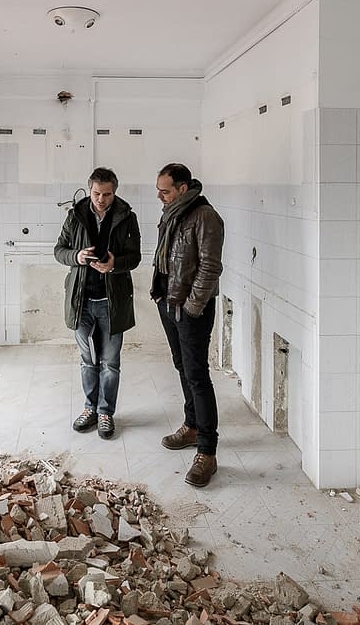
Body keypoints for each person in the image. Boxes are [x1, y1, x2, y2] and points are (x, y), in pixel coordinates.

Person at [54, 167, 141, 439]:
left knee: (110, 362)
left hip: (111, 302)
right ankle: (89, 408)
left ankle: (105, 412)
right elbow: (59, 250)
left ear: (115, 192)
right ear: (89, 189)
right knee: (87, 360)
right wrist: (76, 257)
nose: (101, 199)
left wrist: (115, 264)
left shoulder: (127, 217)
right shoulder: (75, 216)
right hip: (81, 301)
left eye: (107, 194)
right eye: (96, 194)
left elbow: (135, 257)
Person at [151, 162, 224, 488]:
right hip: (169, 303)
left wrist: (193, 307)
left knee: (197, 375)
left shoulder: (205, 216)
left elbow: (210, 267)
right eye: (158, 190)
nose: (160, 196)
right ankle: (192, 426)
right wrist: (161, 296)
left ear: (183, 188)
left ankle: (207, 451)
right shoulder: (173, 212)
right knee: (182, 366)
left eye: (165, 190)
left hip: (191, 309)